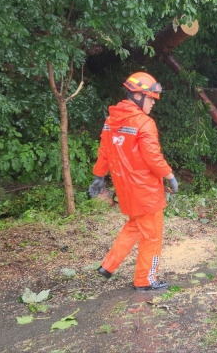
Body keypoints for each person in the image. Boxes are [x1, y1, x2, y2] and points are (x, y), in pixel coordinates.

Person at [88, 72, 178, 291]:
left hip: (126, 189)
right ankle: (145, 280)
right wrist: (170, 175)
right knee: (152, 236)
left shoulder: (111, 121)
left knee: (134, 226)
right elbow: (153, 158)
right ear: (138, 96)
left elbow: (104, 152)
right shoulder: (144, 123)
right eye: (150, 99)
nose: (152, 104)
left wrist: (99, 176)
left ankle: (108, 266)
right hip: (146, 191)